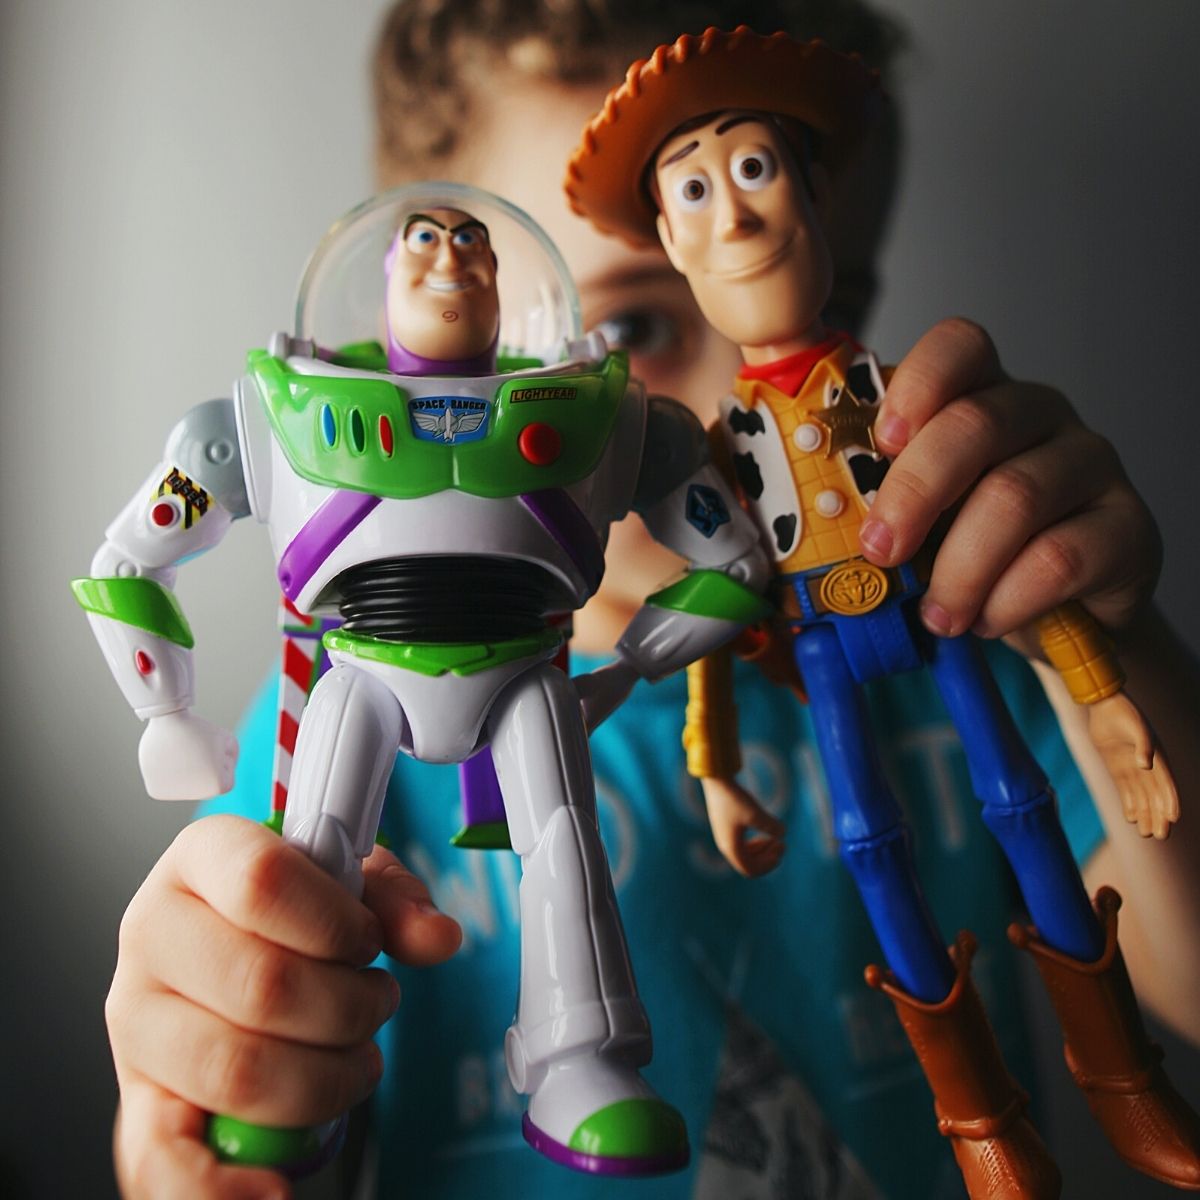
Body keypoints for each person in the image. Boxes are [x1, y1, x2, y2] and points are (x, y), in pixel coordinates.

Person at [101, 3, 1200, 1198]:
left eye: (780, 284)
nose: (733, 399)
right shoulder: (304, 724)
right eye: (626, 325)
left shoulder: (967, 634)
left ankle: (584, 1059)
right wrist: (202, 1102)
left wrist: (1106, 629)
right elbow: (245, 1080)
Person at [563, 27, 1200, 1196]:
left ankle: (1124, 1077)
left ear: (811, 196)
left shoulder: (887, 406)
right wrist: (716, 763)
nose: (742, 227)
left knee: (1020, 796)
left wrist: (1111, 675)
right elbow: (715, 605)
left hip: (941, 623)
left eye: (759, 175)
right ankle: (977, 1120)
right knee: (873, 845)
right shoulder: (387, 710)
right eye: (624, 334)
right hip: (816, 647)